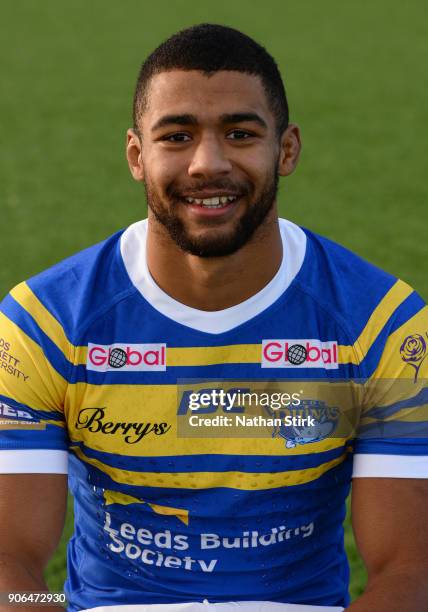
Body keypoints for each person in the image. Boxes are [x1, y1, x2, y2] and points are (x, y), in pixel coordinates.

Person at [0, 23, 427, 612]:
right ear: (136, 156)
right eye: (176, 136)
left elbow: (411, 570)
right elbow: (10, 565)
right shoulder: (41, 326)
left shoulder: (383, 327)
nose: (208, 162)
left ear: (287, 149)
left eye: (240, 133)